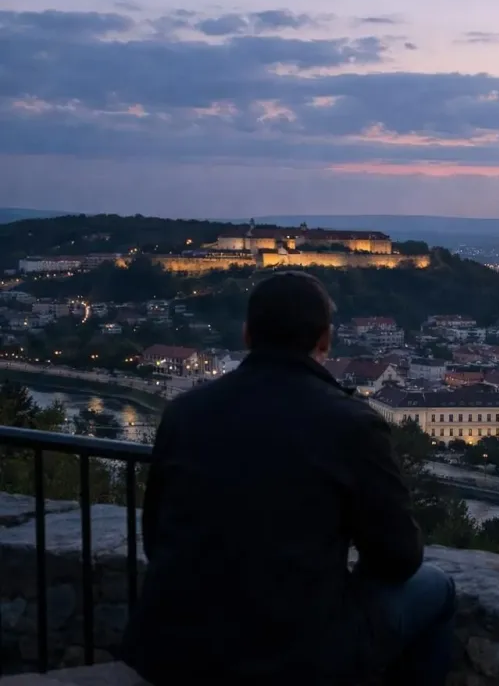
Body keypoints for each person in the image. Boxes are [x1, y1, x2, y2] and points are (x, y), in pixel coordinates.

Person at [122, 272, 455, 685]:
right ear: (325, 340)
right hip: (293, 658)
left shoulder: (184, 412)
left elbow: (155, 537)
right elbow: (400, 557)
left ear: (247, 334)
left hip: (172, 648)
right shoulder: (351, 424)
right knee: (436, 588)